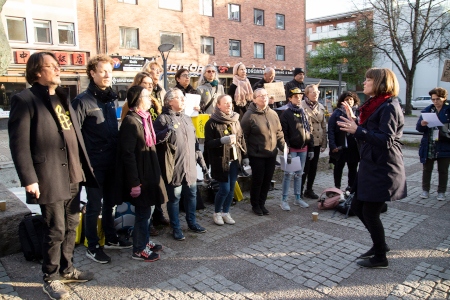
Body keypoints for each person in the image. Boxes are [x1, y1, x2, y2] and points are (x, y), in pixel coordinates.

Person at [8, 52, 96, 299]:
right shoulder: (24, 100)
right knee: (54, 229)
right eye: (52, 66)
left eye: (58, 66)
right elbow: (19, 144)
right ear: (37, 71)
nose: (58, 69)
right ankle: (51, 276)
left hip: (73, 174)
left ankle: (68, 268)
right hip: (48, 176)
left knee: (71, 225)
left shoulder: (61, 97)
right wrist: (29, 178)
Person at [338, 67, 406, 268]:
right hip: (370, 165)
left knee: (370, 212)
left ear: (379, 82)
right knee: (358, 207)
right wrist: (355, 123)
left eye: (368, 79)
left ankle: (380, 256)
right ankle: (380, 246)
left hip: (383, 168)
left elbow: (385, 140)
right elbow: (369, 133)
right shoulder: (376, 105)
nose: (365, 82)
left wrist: (358, 129)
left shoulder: (389, 106)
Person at [72, 54, 132, 265]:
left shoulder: (109, 98)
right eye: (103, 71)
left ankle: (110, 238)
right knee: (94, 205)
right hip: (93, 164)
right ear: (92, 73)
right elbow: (74, 136)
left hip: (111, 161)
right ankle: (92, 245)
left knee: (110, 204)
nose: (108, 75)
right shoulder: (82, 101)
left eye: (110, 71)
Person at [118, 85, 167, 261]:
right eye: (147, 96)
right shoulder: (131, 121)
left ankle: (144, 241)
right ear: (138, 99)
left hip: (149, 173)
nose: (150, 99)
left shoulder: (144, 119)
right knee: (142, 214)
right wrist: (134, 182)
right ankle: (138, 249)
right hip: (141, 177)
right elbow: (128, 155)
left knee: (148, 211)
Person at [153, 88, 207, 240]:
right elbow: (155, 139)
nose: (184, 100)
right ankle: (175, 227)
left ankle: (192, 223)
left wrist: (201, 163)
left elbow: (195, 143)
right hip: (174, 167)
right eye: (180, 98)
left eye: (184, 98)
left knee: (192, 195)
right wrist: (166, 132)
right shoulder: (163, 119)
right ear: (170, 101)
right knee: (174, 199)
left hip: (190, 166)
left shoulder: (187, 118)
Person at [241, 88, 285, 216]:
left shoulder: (273, 113)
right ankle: (255, 205)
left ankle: (262, 203)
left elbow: (279, 132)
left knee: (267, 180)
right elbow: (243, 137)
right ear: (254, 99)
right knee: (258, 180)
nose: (264, 97)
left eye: (265, 95)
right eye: (260, 96)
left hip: (271, 154)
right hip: (257, 155)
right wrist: (245, 155)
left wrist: (283, 147)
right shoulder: (249, 116)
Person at [204, 94, 247, 225]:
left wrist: (245, 157)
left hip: (234, 160)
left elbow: (241, 137)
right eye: (225, 103)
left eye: (230, 102)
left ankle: (225, 212)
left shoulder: (235, 119)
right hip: (220, 161)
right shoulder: (211, 122)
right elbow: (208, 144)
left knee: (231, 188)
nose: (229, 105)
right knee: (224, 189)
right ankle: (217, 213)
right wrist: (222, 141)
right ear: (218, 105)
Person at [279, 88, 314, 211]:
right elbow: (284, 133)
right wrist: (286, 148)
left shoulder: (303, 112)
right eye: (295, 96)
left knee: (299, 174)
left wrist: (311, 147)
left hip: (303, 148)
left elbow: (309, 131)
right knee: (288, 174)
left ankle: (298, 198)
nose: (298, 98)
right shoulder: (286, 113)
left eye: (300, 96)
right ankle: (284, 200)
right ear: (290, 98)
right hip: (292, 149)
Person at [416, 87, 450, 201]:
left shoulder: (448, 110)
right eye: (433, 99)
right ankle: (425, 190)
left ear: (444, 98)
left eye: (438, 99)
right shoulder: (427, 110)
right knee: (427, 169)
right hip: (429, 143)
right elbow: (418, 128)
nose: (435, 102)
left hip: (444, 144)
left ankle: (441, 191)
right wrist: (422, 124)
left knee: (443, 170)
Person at [328, 91, 361, 190]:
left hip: (353, 145)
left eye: (351, 99)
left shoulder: (358, 112)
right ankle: (337, 187)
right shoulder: (337, 113)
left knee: (353, 168)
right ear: (342, 101)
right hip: (340, 145)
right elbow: (331, 129)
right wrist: (333, 145)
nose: (349, 101)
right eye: (346, 99)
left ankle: (351, 188)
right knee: (338, 167)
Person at [301, 83, 327, 199]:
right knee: (304, 167)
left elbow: (323, 126)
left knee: (313, 167)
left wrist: (324, 143)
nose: (315, 94)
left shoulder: (321, 106)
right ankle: (299, 190)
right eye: (313, 92)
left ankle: (309, 189)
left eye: (317, 92)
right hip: (306, 142)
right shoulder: (301, 106)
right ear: (307, 94)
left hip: (317, 141)